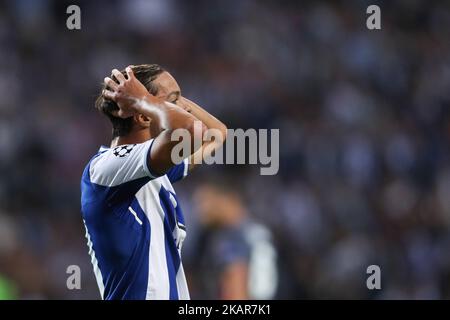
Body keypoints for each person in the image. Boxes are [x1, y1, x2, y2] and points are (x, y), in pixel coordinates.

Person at [80, 64, 227, 300]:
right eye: (175, 101)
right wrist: (144, 99)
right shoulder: (104, 169)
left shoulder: (158, 173)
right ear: (143, 114)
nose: (187, 108)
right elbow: (194, 130)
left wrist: (155, 99)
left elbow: (216, 133)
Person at [192, 182, 278, 299]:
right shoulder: (257, 230)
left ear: (225, 200)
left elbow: (235, 288)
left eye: (205, 202)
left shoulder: (230, 237)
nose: (200, 209)